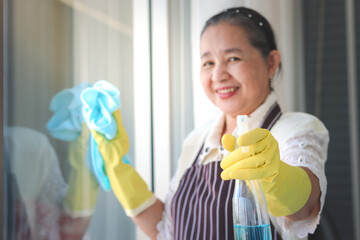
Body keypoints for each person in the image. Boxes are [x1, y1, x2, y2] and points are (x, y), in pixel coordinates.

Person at [90, 6, 329, 240]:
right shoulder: (196, 140)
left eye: (233, 58)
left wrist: (278, 178)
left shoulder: (297, 129)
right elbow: (168, 231)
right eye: (208, 63)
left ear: (270, 63)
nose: (218, 76)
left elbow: (304, 208)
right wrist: (118, 169)